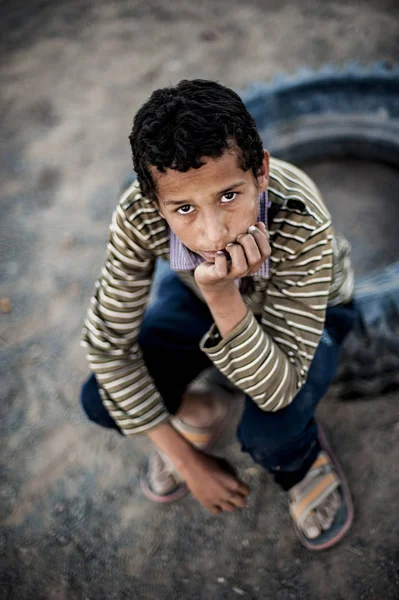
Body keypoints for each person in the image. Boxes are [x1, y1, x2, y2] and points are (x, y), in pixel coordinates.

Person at [80, 79, 357, 550]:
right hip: (196, 294)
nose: (212, 234)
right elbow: (107, 345)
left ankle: (303, 463)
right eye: (184, 208)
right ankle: (200, 408)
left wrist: (224, 294)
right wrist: (186, 458)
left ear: (262, 171)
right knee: (99, 400)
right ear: (155, 203)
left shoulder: (300, 217)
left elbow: (276, 389)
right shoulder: (139, 213)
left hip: (311, 309)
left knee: (271, 432)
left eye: (229, 195)